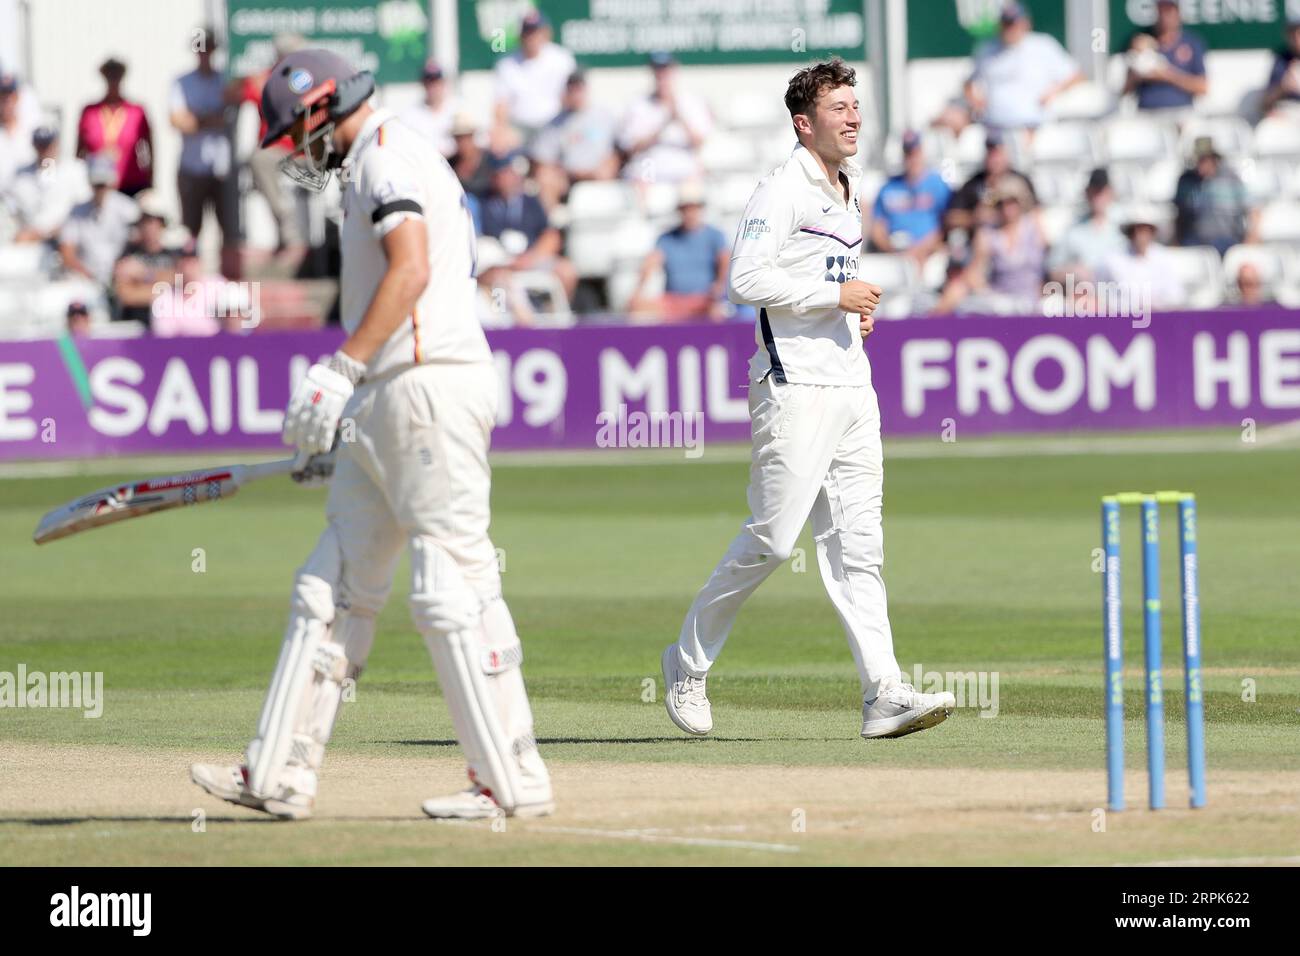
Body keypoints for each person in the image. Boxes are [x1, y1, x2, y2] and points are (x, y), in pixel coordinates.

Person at [189, 49, 553, 822]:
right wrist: (359, 416)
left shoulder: (385, 156)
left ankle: (510, 781)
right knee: (331, 587)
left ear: (324, 106)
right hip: (392, 397)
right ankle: (279, 771)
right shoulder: (381, 161)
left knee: (449, 588)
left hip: (425, 386)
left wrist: (341, 371)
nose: (297, 150)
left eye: (298, 131)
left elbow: (412, 269)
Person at [661, 58, 956, 743]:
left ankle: (883, 693)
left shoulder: (847, 188)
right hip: (794, 387)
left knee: (860, 545)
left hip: (854, 384)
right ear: (804, 122)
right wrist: (834, 299)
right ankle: (687, 662)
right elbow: (744, 280)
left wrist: (851, 315)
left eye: (856, 106)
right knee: (772, 539)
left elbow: (824, 278)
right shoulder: (781, 187)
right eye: (839, 108)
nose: (854, 117)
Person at [170, 25, 239, 277]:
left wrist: (198, 119)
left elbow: (229, 115)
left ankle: (229, 283)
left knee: (229, 230)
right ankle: (191, 281)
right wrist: (211, 119)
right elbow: (178, 121)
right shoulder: (182, 82)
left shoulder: (225, 80)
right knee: (190, 230)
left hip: (220, 169)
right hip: (192, 167)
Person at [231, 33, 306, 258]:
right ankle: (286, 229)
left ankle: (292, 232)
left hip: (307, 150)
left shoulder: (310, 79)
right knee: (258, 160)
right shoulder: (266, 79)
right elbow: (234, 94)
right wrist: (243, 80)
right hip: (276, 150)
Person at [963, 3, 1082, 132]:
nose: (1011, 30)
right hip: (994, 125)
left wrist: (1053, 92)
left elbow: (1076, 75)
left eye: (1013, 24)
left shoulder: (1043, 45)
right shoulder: (987, 49)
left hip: (1033, 122)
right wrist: (977, 101)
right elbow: (969, 81)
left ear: (1025, 23)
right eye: (1006, 25)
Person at [479, 149, 577, 298]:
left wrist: (530, 258)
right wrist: (508, 261)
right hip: (501, 263)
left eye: (511, 172)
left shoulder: (531, 202)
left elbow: (550, 235)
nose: (508, 178)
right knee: (497, 279)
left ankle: (557, 317)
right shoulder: (484, 204)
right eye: (502, 173)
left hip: (531, 258)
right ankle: (500, 317)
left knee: (566, 271)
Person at [627, 181, 729, 322]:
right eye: (685, 209)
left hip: (704, 300)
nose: (690, 213)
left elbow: (725, 262)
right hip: (673, 300)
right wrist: (637, 292)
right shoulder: (666, 238)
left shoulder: (715, 236)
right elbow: (651, 263)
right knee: (639, 309)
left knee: (716, 312)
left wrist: (719, 287)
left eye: (694, 208)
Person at [936, 187, 1045, 314]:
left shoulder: (1032, 228)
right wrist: (985, 291)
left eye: (1011, 204)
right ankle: (930, 325)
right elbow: (976, 270)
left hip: (1029, 295)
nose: (1007, 209)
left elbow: (1044, 265)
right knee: (957, 290)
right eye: (1002, 205)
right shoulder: (989, 234)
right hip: (999, 297)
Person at [618, 52, 712, 185]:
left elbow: (699, 141)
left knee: (694, 181)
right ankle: (645, 206)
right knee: (641, 178)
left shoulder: (690, 102)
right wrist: (663, 124)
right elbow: (631, 147)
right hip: (649, 161)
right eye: (658, 72)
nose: (662, 77)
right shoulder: (639, 105)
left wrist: (679, 117)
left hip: (682, 159)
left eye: (665, 71)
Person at [529, 70, 618, 209]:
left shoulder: (603, 117)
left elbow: (617, 151)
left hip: (596, 174)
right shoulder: (555, 124)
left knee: (607, 169)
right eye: (572, 90)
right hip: (567, 178)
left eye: (579, 89)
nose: (576, 94)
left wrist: (601, 167)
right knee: (545, 178)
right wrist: (561, 171)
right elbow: (542, 159)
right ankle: (550, 227)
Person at [491, 11, 575, 150]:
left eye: (536, 32)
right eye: (528, 33)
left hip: (554, 126)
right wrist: (500, 131)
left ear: (546, 33)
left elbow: (571, 98)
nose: (532, 38)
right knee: (498, 144)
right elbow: (501, 106)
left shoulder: (562, 59)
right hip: (519, 128)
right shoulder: (506, 64)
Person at [866, 130, 949, 263]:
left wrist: (921, 250)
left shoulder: (938, 184)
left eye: (916, 153)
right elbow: (877, 228)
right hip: (894, 256)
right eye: (909, 154)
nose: (912, 159)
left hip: (929, 255)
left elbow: (946, 224)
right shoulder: (888, 187)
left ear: (922, 153)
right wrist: (893, 251)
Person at [58, 154, 137, 289]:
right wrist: (89, 277)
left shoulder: (128, 210)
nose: (100, 190)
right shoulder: (76, 212)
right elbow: (67, 252)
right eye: (96, 185)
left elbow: (138, 244)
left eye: (103, 184)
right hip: (85, 279)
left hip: (120, 277)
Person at [76, 57, 152, 197]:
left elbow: (149, 147)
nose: (113, 81)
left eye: (116, 77)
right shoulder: (90, 111)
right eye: (110, 77)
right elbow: (79, 152)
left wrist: (151, 181)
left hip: (130, 183)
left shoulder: (136, 111)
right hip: (98, 184)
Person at [1173, 137, 1257, 255]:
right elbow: (1179, 216)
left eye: (1204, 159)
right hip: (1194, 241)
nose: (1200, 164)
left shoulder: (1231, 178)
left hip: (1227, 241)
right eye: (1198, 160)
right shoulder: (1186, 180)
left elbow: (1253, 210)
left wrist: (1251, 238)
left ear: (1213, 159)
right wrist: (1176, 241)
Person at [6, 126, 89, 243]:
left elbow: (84, 210)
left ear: (57, 144)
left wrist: (45, 233)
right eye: (41, 145)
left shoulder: (74, 170)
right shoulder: (21, 175)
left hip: (64, 241)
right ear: (34, 145)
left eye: (48, 145)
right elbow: (10, 210)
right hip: (28, 241)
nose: (45, 150)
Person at [1122, 0, 1207, 114]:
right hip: (1146, 114)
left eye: (1169, 12)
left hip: (1180, 114)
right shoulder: (1142, 43)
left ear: (1178, 14)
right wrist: (1140, 71)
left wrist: (1166, 75)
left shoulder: (1191, 43)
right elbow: (1125, 90)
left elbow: (1203, 87)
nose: (1165, 18)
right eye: (1161, 13)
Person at [945, 129, 1036, 233]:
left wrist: (1005, 215)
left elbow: (1036, 213)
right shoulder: (974, 184)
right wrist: (974, 218)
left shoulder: (1021, 181)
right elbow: (952, 218)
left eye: (999, 153)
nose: (995, 159)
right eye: (991, 153)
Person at [113, 191, 183, 323]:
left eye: (151, 221)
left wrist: (143, 274)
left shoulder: (175, 254)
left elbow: (183, 286)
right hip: (134, 323)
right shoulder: (127, 254)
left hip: (169, 324)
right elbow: (126, 295)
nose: (147, 227)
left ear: (162, 223)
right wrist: (162, 287)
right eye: (143, 222)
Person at [1047, 168, 1126, 284]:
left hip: (1119, 295)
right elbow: (1052, 270)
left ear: (1110, 193)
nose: (1098, 197)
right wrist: (1073, 272)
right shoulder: (1073, 229)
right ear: (1087, 193)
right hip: (1084, 295)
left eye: (1101, 191)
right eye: (1094, 191)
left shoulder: (1125, 226)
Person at [1097, 207, 1186, 309]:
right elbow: (1103, 296)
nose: (1140, 236)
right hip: (1123, 319)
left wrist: (1157, 305)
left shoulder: (1164, 258)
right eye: (1135, 230)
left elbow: (1175, 295)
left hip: (1161, 318)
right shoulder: (1113, 259)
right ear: (1129, 233)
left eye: (1145, 230)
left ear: (1152, 232)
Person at [399, 60, 458, 157]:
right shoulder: (410, 116)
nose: (433, 87)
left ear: (444, 83)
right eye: (429, 82)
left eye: (436, 81)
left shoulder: (458, 108)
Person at [0, 73, 35, 193]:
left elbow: (49, 157)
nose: (6, 101)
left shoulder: (33, 128)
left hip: (30, 201)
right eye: (2, 96)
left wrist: (48, 181)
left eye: (11, 96)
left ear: (18, 97)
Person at [1262, 17, 1300, 117]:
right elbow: (1264, 102)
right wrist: (1284, 87)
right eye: (1292, 34)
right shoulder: (1282, 60)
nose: (1296, 39)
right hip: (1289, 112)